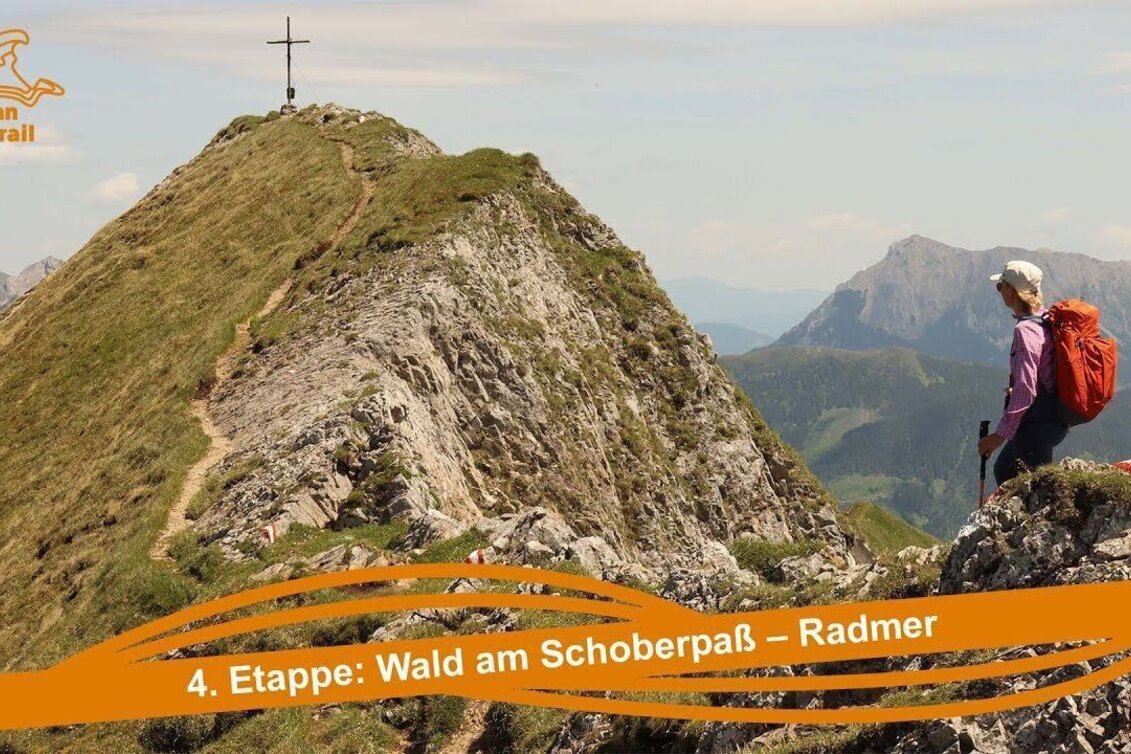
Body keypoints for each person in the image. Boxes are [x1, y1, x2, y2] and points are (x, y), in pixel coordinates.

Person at [977, 260, 1069, 486]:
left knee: (1035, 489)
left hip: (1036, 425)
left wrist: (997, 437)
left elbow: (1026, 391)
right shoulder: (1046, 319)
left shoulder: (1025, 330)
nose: (999, 292)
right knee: (1005, 470)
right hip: (1052, 417)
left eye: (1001, 286)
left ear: (1012, 291)